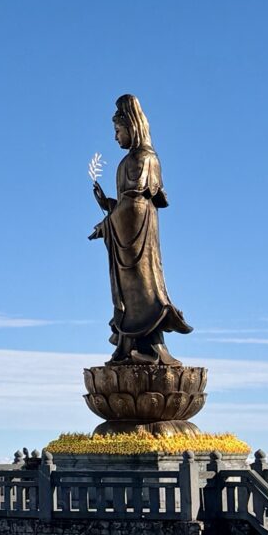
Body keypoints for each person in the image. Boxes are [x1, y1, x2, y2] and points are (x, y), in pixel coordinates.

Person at [90, 94, 192, 365]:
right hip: (125, 240)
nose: (115, 137)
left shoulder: (144, 159)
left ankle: (150, 346)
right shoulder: (125, 163)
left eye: (118, 130)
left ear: (131, 127)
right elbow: (126, 202)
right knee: (127, 294)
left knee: (146, 292)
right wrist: (108, 204)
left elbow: (135, 206)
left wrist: (107, 223)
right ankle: (129, 345)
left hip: (139, 240)